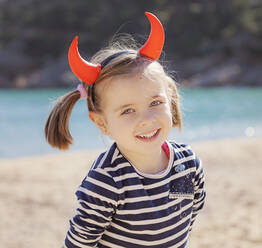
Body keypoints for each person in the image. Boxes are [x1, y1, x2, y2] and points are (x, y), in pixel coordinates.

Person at [45, 12, 206, 248]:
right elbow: (79, 244)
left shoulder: (188, 164)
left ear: (170, 100)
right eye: (127, 111)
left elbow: (186, 218)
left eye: (155, 103)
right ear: (102, 123)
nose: (146, 119)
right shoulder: (107, 180)